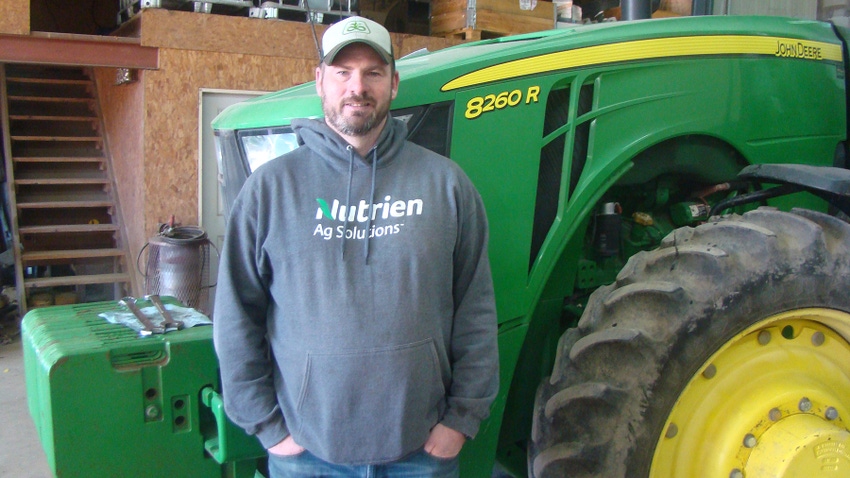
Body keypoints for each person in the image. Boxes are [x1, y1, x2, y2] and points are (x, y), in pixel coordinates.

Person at [213, 15, 499, 477]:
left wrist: (461, 421)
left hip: (421, 454)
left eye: (373, 72)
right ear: (320, 81)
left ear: (394, 84)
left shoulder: (446, 185)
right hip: (307, 454)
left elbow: (476, 308)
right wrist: (268, 428)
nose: (357, 86)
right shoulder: (270, 190)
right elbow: (236, 315)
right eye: (343, 72)